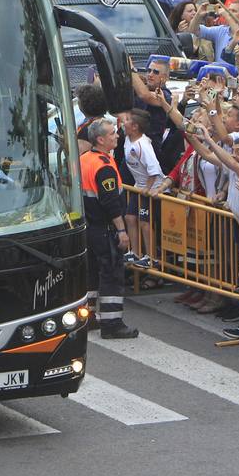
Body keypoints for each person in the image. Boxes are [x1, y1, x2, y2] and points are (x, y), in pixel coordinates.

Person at [81, 119, 138, 339]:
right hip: (105, 229)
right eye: (113, 133)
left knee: (92, 274)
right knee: (112, 274)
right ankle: (112, 323)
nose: (117, 135)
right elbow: (110, 202)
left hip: (89, 228)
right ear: (101, 139)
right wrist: (122, 231)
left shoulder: (84, 160)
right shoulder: (103, 166)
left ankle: (89, 317)